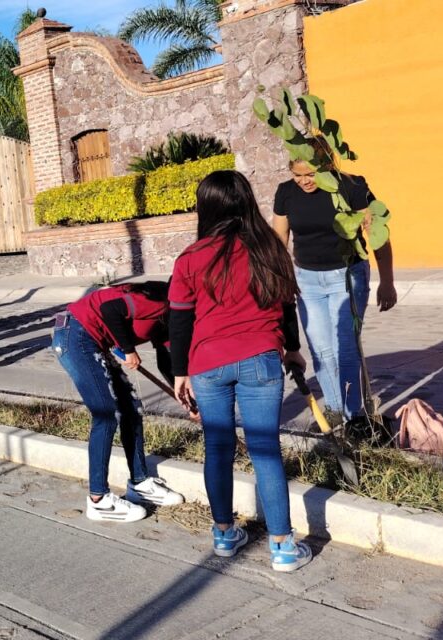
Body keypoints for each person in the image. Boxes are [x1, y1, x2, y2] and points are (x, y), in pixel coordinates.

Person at [170, 170, 311, 573]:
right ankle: (283, 547)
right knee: (265, 450)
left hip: (207, 365)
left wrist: (180, 372)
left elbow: (178, 322)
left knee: (218, 448)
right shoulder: (270, 249)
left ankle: (225, 534)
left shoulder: (190, 259)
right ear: (247, 202)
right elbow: (285, 306)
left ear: (206, 208)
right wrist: (295, 349)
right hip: (262, 359)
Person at [272, 159, 396, 428]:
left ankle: (353, 417)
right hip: (307, 280)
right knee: (320, 348)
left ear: (327, 167)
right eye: (297, 175)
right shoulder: (285, 193)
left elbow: (378, 235)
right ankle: (334, 408)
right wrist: (278, 279)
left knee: (346, 348)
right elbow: (280, 239)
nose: (304, 180)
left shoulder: (351, 187)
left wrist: (387, 281)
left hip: (347, 275)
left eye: (311, 173)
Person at [54, 281, 185, 522]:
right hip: (76, 334)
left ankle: (140, 482)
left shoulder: (171, 319)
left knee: (131, 410)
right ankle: (98, 500)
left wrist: (185, 397)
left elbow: (167, 362)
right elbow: (110, 310)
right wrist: (128, 349)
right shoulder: (158, 300)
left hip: (96, 341)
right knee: (106, 414)